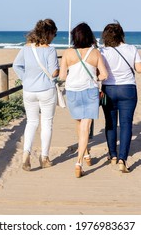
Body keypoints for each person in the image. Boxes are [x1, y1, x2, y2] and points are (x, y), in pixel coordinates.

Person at [59, 22, 108, 178]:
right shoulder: (95, 53)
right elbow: (104, 75)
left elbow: (62, 76)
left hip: (73, 91)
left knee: (79, 124)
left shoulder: (67, 53)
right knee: (86, 127)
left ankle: (86, 154)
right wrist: (95, 77)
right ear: (89, 36)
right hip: (90, 92)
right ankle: (79, 162)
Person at [13, 19, 59, 171]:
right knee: (47, 123)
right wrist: (56, 75)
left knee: (31, 122)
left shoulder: (26, 48)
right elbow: (54, 72)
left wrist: (25, 78)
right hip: (46, 90)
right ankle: (44, 158)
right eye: (54, 34)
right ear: (49, 33)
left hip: (29, 90)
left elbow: (16, 65)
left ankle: (26, 154)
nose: (54, 36)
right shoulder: (50, 50)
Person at [99, 21, 141, 172]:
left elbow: (99, 73)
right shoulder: (131, 49)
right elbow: (140, 69)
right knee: (126, 124)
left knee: (110, 123)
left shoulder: (103, 52)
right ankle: (122, 160)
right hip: (128, 90)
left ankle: (112, 155)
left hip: (109, 90)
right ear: (121, 35)